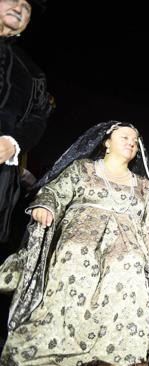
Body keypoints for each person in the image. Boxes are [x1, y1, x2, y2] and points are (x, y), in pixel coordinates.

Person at [0, 121, 149, 366]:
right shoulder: (82, 169)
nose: (132, 142)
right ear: (106, 142)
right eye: (125, 136)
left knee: (130, 268)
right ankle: (59, 353)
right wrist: (47, 207)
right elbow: (53, 192)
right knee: (76, 260)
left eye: (135, 139)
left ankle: (117, 359)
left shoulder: (141, 184)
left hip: (126, 244)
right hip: (80, 236)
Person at [0, 0, 52, 245]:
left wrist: (12, 144)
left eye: (27, 7)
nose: (20, 7)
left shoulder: (33, 73)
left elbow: (39, 116)